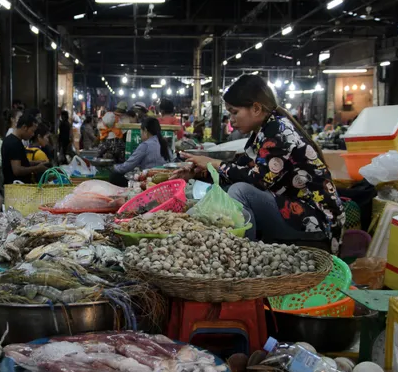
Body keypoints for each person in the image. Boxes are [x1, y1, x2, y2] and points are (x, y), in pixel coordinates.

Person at [179, 75, 345, 254]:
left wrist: (214, 163)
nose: (231, 120)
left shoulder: (280, 131)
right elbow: (238, 170)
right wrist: (196, 173)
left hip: (316, 222)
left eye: (234, 112)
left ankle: (244, 255)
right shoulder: (263, 132)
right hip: (291, 211)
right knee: (232, 189)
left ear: (256, 108)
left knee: (240, 191)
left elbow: (257, 180)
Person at [110, 118, 170, 186]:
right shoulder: (163, 143)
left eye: (140, 130)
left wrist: (114, 167)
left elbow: (128, 166)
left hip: (150, 181)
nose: (140, 133)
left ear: (145, 130)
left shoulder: (145, 145)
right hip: (163, 180)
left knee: (115, 175)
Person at [2, 113, 48, 185]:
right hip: (16, 188)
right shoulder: (14, 143)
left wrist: (36, 163)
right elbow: (17, 170)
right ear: (24, 127)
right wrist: (37, 168)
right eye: (32, 131)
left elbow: (19, 162)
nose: (33, 134)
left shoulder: (12, 140)